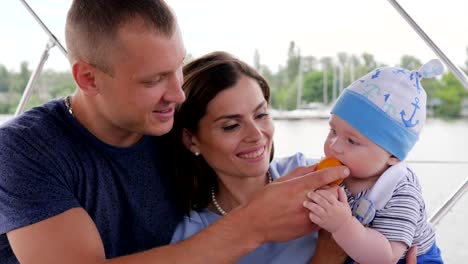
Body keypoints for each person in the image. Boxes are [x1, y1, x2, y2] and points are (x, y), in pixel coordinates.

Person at [0, 1, 348, 263]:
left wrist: (399, 226)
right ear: (88, 78)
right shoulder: (23, 151)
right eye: (153, 80)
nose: (177, 94)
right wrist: (253, 225)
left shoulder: (173, 122)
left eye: (177, 68)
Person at [168, 51, 343, 263]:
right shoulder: (191, 238)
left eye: (261, 115)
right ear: (191, 139)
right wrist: (328, 256)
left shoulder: (313, 176)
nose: (256, 135)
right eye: (231, 126)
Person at [304, 59, 445, 263]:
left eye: (352, 141)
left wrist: (342, 225)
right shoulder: (339, 169)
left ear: (393, 155)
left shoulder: (399, 191)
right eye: (333, 131)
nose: (334, 146)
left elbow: (385, 256)